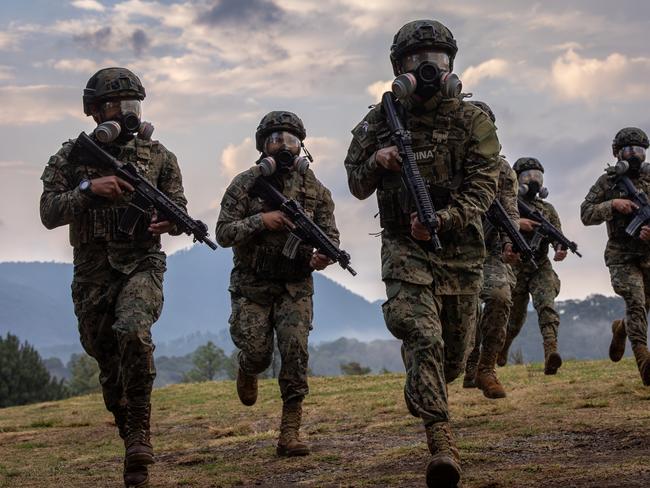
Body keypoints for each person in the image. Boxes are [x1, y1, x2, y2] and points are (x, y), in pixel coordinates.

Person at [344, 20, 500, 488]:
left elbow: (485, 187)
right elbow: (355, 183)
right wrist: (378, 159)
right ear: (400, 67)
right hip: (403, 247)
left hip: (460, 251)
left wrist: (446, 219)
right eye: (417, 60)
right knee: (423, 335)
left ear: (452, 66)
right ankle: (441, 443)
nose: (428, 68)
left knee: (453, 359)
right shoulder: (378, 120)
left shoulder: (474, 121)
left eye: (438, 59)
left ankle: (426, 385)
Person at [40, 67, 187, 488]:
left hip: (142, 264)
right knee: (105, 356)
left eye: (134, 105)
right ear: (94, 111)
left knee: (134, 331)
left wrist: (168, 224)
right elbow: (48, 213)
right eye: (117, 106)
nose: (127, 114)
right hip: (92, 272)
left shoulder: (159, 157)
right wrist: (89, 189)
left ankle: (140, 435)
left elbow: (177, 207)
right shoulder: (71, 157)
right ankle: (128, 431)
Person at [216, 111, 339, 456]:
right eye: (275, 140)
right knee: (257, 352)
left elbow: (329, 237)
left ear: (302, 146)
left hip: (295, 286)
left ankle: (290, 431)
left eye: (291, 140)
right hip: (252, 285)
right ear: (262, 146)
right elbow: (223, 232)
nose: (284, 146)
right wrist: (261, 220)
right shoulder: (245, 184)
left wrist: (322, 258)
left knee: (295, 353)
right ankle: (247, 369)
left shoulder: (315, 190)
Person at [581, 127, 650, 386]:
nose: (635, 156)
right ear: (617, 153)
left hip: (648, 255)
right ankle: (644, 359)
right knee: (636, 300)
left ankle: (621, 328)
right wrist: (612, 205)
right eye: (629, 150)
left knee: (643, 306)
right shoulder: (607, 182)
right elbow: (586, 214)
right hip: (621, 255)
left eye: (640, 150)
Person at [462, 101, 519, 399]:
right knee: (462, 316)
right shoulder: (450, 162)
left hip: (491, 249)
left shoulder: (502, 169)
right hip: (453, 250)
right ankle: (465, 365)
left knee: (500, 298)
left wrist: (512, 242)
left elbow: (510, 209)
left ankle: (486, 368)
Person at [498, 157, 567, 374]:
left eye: (538, 176)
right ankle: (503, 346)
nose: (534, 181)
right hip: (514, 267)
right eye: (528, 176)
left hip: (540, 265)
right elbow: (496, 228)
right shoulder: (509, 207)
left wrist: (560, 248)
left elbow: (558, 234)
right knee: (514, 319)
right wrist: (518, 225)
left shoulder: (546, 210)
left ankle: (551, 352)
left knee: (546, 305)